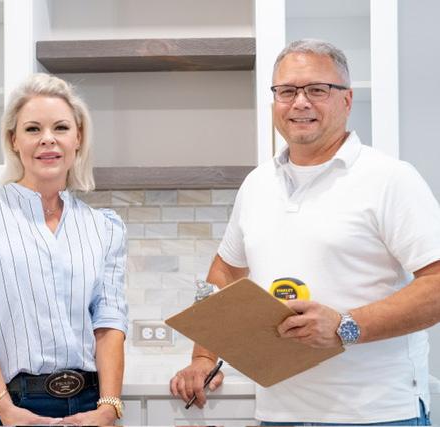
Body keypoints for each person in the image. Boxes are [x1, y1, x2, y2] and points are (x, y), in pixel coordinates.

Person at [170, 39, 440, 425]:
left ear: (346, 100)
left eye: (317, 89)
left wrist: (345, 326)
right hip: (280, 413)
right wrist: (203, 356)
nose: (300, 102)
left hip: (375, 413)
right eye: (287, 91)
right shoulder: (258, 184)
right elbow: (226, 272)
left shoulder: (390, 178)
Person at [0, 73, 128, 426]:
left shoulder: (103, 226)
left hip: (91, 401)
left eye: (61, 128)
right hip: (15, 402)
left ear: (78, 137)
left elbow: (109, 320)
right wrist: (5, 410)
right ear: (13, 140)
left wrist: (107, 408)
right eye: (33, 129)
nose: (48, 139)